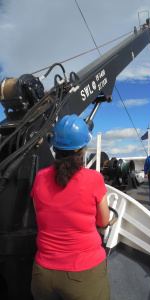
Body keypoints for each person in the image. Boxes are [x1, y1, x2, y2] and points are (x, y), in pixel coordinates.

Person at [30, 114, 110, 300]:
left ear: (55, 147)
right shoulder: (94, 179)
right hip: (84, 274)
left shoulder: (40, 177)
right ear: (82, 149)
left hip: (43, 273)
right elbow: (104, 221)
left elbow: (39, 215)